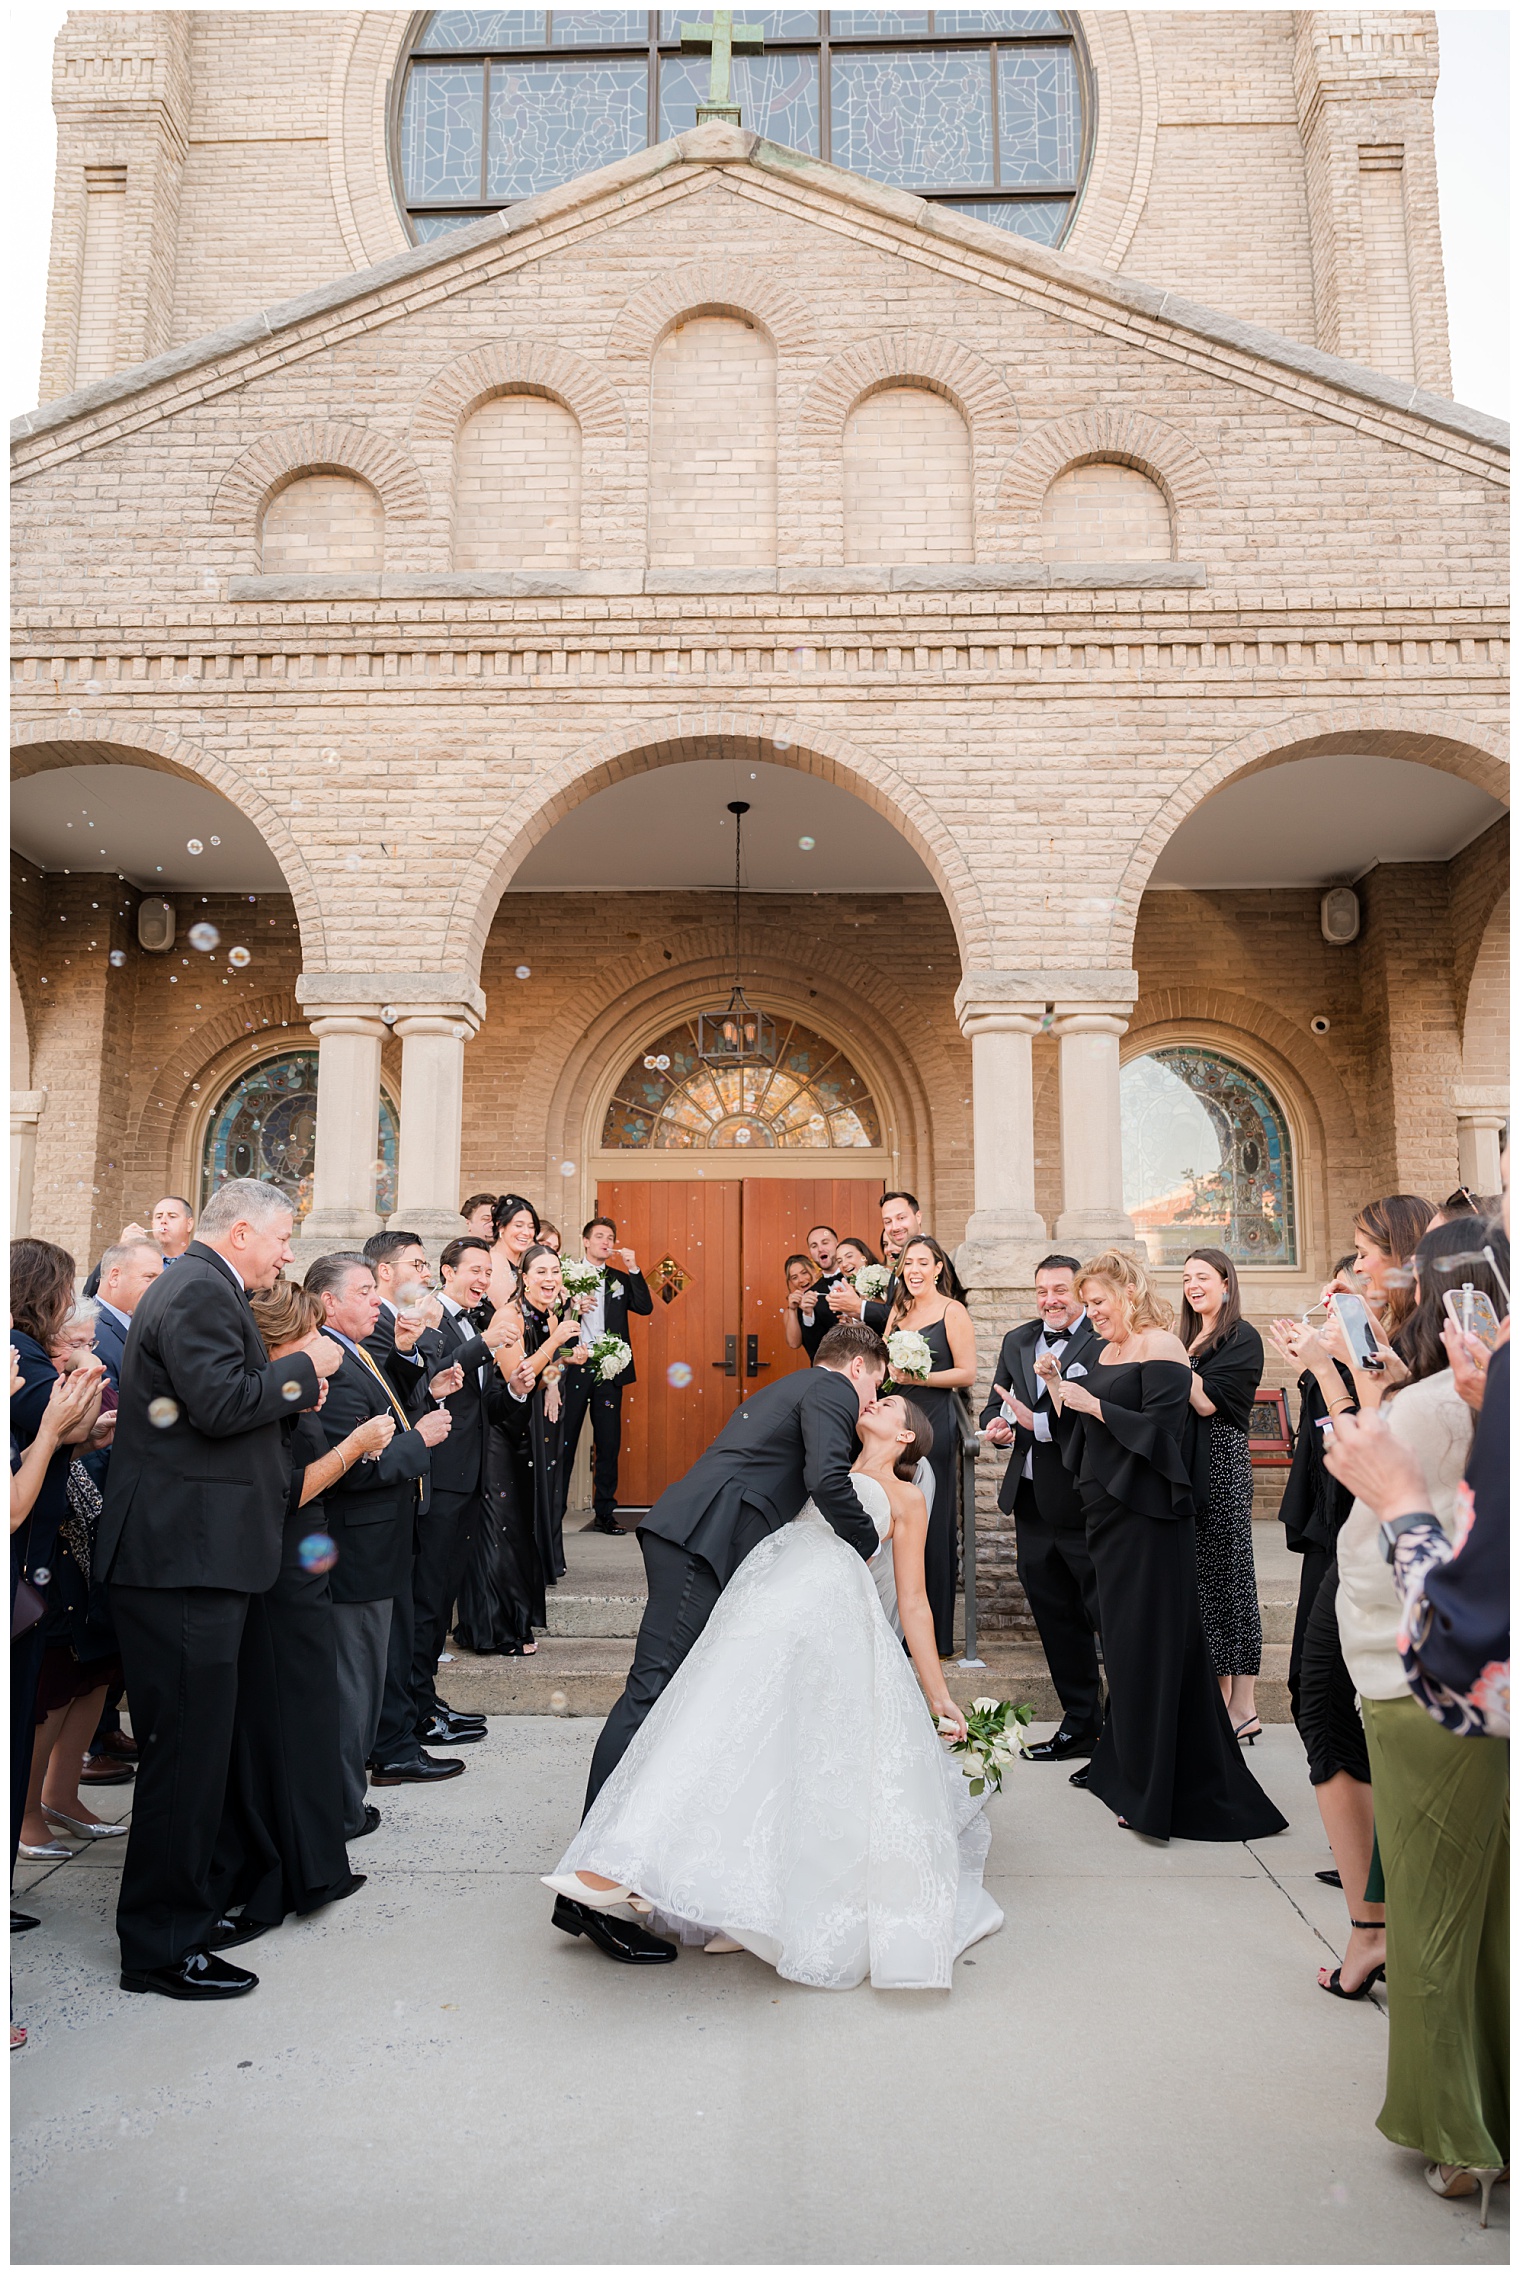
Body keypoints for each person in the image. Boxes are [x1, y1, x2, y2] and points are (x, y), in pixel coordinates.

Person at [548, 1394, 1002, 1989]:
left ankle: (753, 1906)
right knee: (723, 1736)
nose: (872, 1401)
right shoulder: (825, 1468)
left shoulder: (907, 1497)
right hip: (762, 1604)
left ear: (905, 1438)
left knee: (799, 1759)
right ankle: (650, 1870)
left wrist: (937, 1690)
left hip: (826, 1623)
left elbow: (914, 1602)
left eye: (886, 1403)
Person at [557, 1320, 890, 1964]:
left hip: (702, 1540)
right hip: (701, 1543)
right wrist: (868, 1539)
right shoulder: (831, 1389)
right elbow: (826, 1476)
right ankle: (587, 1892)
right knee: (650, 1699)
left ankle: (620, 1873)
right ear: (857, 1367)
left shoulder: (794, 1389)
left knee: (670, 1703)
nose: (872, 1398)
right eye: (875, 1381)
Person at [97, 1178, 340, 2002]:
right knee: (184, 1758)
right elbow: (220, 1402)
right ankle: (162, 1946)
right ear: (241, 1232)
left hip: (195, 1555)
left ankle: (185, 1911)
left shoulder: (203, 1285)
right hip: (182, 1561)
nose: (286, 1255)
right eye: (280, 1239)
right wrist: (306, 1368)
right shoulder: (199, 1288)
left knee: (199, 1751)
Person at [1323, 1217, 1509, 2223]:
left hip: (1422, 1677)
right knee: (1490, 1916)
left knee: (1432, 1917)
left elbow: (1368, 1550)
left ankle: (1453, 2138)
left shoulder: (1434, 1405)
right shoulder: (1485, 1393)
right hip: (1497, 1692)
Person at [1044, 1251, 1286, 1843]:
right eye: (1088, 1304)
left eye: (1099, 1302)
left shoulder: (1163, 1347)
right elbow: (1081, 1431)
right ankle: (1124, 1766)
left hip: (1150, 1516)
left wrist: (1093, 1403)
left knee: (1153, 1643)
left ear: (1129, 1291)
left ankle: (1158, 1788)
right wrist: (1056, 1388)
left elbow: (1162, 1434)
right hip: (1104, 1511)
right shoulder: (1099, 1351)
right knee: (1123, 1644)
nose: (1091, 1313)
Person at [1266, 1193, 1432, 1995]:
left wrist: (1334, 1368)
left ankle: (1377, 1926)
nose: (1357, 1263)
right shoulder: (1392, 1336)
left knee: (1333, 1703)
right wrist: (1337, 1360)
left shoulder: (1427, 1342)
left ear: (1404, 1257)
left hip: (1389, 1544)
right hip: (1359, 1539)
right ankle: (1374, 1916)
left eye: (1368, 1249)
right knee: (1318, 1700)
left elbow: (1366, 1438)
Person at [208, 1279, 382, 1937]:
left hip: (304, 1571)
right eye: (310, 1336)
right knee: (286, 1717)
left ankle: (319, 1863)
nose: (322, 1347)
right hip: (277, 1573)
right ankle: (288, 1866)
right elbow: (285, 1492)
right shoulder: (267, 1398)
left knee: (313, 1717)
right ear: (279, 1344)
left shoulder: (294, 1389)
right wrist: (355, 1444)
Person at [304, 1253, 459, 1809]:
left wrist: (423, 1377)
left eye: (376, 1290)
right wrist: (420, 1442)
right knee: (356, 1677)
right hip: (359, 1542)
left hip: (386, 1536)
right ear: (329, 1301)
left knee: (379, 1664)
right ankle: (345, 1799)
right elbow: (356, 1466)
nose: (378, 1300)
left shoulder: (356, 1352)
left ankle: (376, 1760)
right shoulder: (330, 1364)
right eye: (365, 1291)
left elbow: (387, 1407)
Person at [980, 1254, 1104, 1763]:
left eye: (1060, 1290)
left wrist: (1038, 1423)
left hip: (1084, 1500)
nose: (1050, 1300)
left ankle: (1125, 1732)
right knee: (1055, 1619)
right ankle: (1080, 1725)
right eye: (1041, 1291)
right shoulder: (1017, 1339)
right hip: (1031, 1503)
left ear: (1080, 1293)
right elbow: (997, 1401)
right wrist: (999, 1426)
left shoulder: (1102, 1338)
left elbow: (1097, 1415)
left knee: (1105, 1617)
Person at [11, 1245, 107, 1889]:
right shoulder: (22, 1355)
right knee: (27, 1702)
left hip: (40, 1547)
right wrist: (71, 1420)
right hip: (29, 1554)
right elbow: (65, 1415)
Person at [18, 1302, 128, 1860]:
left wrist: (89, 1437)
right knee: (54, 1683)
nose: (83, 1353)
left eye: (89, 1341)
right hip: (49, 1544)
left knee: (96, 1668)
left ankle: (62, 1795)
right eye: (71, 1343)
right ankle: (26, 1811)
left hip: (87, 1534)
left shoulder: (66, 1376)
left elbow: (81, 1435)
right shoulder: (32, 1379)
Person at [406, 1235, 516, 1746]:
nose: (482, 1280)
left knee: (444, 1594)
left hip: (469, 1479)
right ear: (446, 1271)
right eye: (473, 1270)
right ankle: (414, 1708)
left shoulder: (474, 1325)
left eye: (487, 1272)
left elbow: (483, 1406)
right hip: (436, 1479)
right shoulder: (429, 1317)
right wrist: (487, 1342)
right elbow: (430, 1379)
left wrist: (514, 1390)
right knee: (426, 1597)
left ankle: (426, 1697)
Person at [82, 1239, 164, 1785]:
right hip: (103, 1485)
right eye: (148, 1275)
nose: (158, 1285)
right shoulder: (99, 1331)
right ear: (113, 1276)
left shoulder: (132, 1326)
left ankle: (103, 1726)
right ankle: (89, 1743)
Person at [1179, 1249, 1265, 1740]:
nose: (1193, 1285)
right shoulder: (1187, 1337)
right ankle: (1215, 1701)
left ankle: (1244, 1706)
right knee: (1203, 1584)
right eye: (1187, 1277)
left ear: (1226, 1283)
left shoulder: (1241, 1336)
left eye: (1203, 1277)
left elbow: (1209, 1402)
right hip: (1187, 1466)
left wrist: (1174, 1360)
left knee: (1232, 1579)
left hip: (1222, 1464)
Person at [883, 1235, 976, 1657]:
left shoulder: (951, 1310)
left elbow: (967, 1373)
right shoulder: (899, 1311)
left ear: (939, 1267)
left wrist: (918, 1378)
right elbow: (886, 1363)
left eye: (924, 1261)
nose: (915, 1269)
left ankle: (935, 1637)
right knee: (894, 1520)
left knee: (932, 1522)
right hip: (897, 1420)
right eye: (909, 1262)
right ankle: (898, 1629)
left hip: (934, 1422)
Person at [559, 1217, 653, 1534]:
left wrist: (635, 1268)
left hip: (608, 1369)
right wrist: (570, 1306)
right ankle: (554, 1510)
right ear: (585, 1241)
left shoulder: (619, 1278)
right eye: (599, 1236)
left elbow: (644, 1307)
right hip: (573, 1365)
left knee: (608, 1443)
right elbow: (547, 1319)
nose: (605, 1241)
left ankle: (605, 1513)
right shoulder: (565, 1275)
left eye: (610, 1237)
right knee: (565, 1440)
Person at [485, 1193, 540, 1315]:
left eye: (531, 1227)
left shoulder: (522, 1261)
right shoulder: (495, 1260)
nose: (526, 1232)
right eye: (518, 1225)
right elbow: (511, 1313)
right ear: (501, 1226)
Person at [781, 1254, 826, 1361]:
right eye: (794, 1277)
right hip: (819, 1365)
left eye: (804, 1273)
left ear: (814, 1270)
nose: (801, 1280)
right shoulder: (792, 1310)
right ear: (791, 1282)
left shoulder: (831, 1294)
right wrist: (792, 1310)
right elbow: (793, 1343)